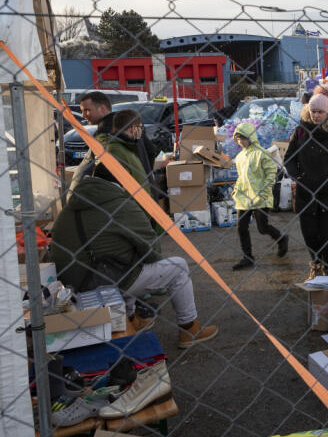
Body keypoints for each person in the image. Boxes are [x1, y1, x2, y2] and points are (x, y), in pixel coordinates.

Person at [50, 166, 219, 348]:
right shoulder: (121, 205)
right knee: (177, 267)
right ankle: (189, 328)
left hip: (71, 291)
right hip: (106, 284)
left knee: (126, 261)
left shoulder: (69, 209)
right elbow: (153, 251)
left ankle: (131, 319)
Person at [284, 92, 328, 277]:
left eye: (320, 112)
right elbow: (289, 159)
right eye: (313, 111)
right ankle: (316, 265)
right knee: (309, 234)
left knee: (325, 233)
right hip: (305, 191)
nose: (315, 115)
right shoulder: (300, 131)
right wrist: (297, 176)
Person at [69, 91, 159, 197]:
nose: (83, 115)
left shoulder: (103, 131)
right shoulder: (130, 123)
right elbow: (151, 150)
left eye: (87, 110)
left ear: (102, 108)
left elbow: (101, 167)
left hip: (125, 195)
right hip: (147, 190)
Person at [231, 122, 288, 270]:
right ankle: (247, 257)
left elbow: (271, 173)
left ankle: (281, 239)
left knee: (262, 228)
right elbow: (241, 176)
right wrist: (236, 189)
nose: (240, 142)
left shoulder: (261, 153)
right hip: (244, 197)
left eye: (243, 138)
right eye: (238, 139)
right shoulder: (240, 157)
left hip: (260, 197)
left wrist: (265, 190)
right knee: (241, 228)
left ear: (250, 137)